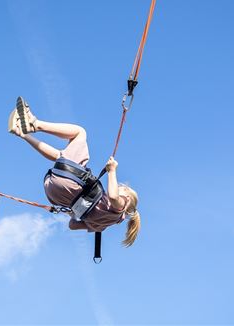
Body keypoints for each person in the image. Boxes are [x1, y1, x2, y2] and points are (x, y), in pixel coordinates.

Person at [8, 97, 140, 247]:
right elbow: (72, 225)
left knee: (80, 133)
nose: (119, 187)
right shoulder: (101, 226)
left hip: (71, 184)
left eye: (122, 187)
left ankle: (35, 124)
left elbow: (114, 196)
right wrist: (74, 212)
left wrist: (112, 171)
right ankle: (21, 133)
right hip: (55, 193)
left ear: (128, 198)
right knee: (62, 157)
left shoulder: (121, 205)